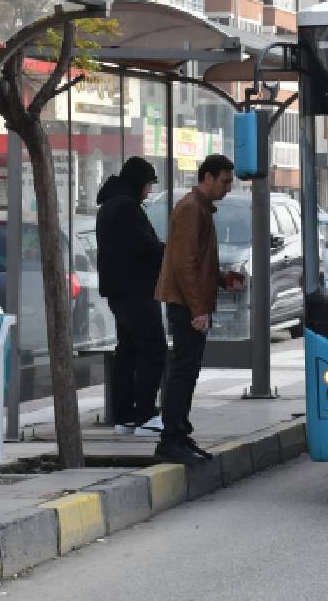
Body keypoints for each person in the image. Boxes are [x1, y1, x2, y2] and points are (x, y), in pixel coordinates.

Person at [153, 154, 246, 463]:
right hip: (185, 305)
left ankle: (179, 432)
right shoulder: (191, 209)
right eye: (225, 181)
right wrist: (198, 310)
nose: (228, 188)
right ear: (207, 177)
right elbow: (183, 264)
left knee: (188, 370)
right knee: (182, 371)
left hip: (190, 302)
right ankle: (171, 439)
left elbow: (198, 261)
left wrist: (222, 279)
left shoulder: (200, 208)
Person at [95, 157, 166, 437]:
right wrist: (169, 251)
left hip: (118, 291)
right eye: (148, 184)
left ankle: (124, 417)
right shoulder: (126, 208)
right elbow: (145, 247)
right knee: (153, 348)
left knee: (127, 351)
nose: (149, 191)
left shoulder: (110, 206)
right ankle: (146, 414)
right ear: (138, 181)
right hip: (135, 290)